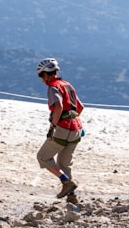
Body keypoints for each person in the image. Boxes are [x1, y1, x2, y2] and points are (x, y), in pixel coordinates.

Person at [36, 58, 84, 203]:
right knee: (65, 163)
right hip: (77, 128)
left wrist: (53, 127)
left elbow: (58, 106)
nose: (41, 79)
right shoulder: (68, 85)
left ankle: (66, 182)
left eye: (41, 76)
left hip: (63, 129)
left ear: (45, 74)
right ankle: (71, 196)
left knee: (43, 157)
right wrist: (72, 120)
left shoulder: (53, 87)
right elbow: (80, 107)